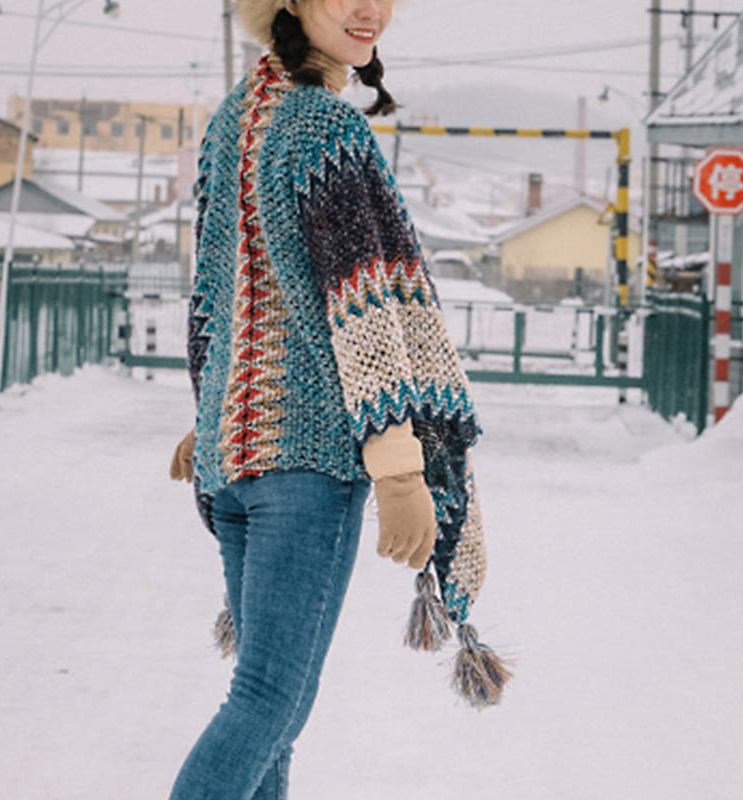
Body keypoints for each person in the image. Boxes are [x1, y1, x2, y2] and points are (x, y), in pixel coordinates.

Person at [168, 1, 509, 797]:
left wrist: (208, 413)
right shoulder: (325, 130)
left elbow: (224, 295)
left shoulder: (234, 122)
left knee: (273, 725)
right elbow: (361, 311)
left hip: (234, 465)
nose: (368, 10)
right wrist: (398, 468)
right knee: (266, 703)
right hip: (308, 463)